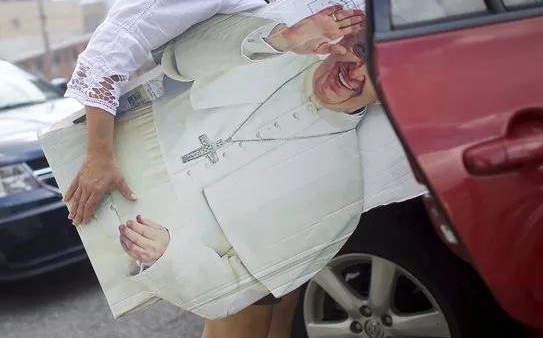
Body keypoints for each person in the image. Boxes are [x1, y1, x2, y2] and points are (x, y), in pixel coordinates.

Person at [61, 0, 350, 338]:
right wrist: (99, 154)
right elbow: (107, 50)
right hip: (225, 171)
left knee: (277, 321)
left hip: (273, 167)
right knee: (237, 335)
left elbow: (296, 24)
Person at [113, 21, 376, 319]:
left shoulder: (340, 195)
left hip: (118, 252)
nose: (356, 72)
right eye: (362, 49)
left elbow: (233, 293)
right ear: (350, 36)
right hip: (91, 155)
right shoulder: (274, 45)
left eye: (379, 75)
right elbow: (173, 57)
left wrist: (169, 256)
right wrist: (278, 40)